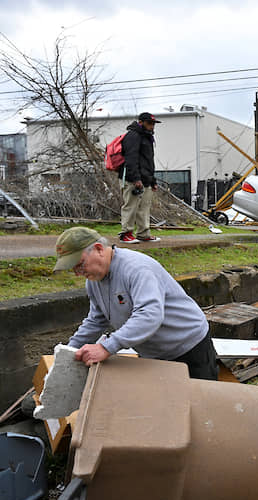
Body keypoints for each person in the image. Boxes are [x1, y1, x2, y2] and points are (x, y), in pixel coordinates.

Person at [53, 226, 218, 380]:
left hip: (188, 346)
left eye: (80, 265)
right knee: (163, 405)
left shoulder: (136, 269)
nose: (78, 273)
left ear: (98, 249)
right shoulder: (94, 281)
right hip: (153, 353)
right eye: (73, 269)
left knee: (198, 404)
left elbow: (150, 315)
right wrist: (69, 352)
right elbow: (96, 320)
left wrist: (106, 347)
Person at [119, 112, 162, 244]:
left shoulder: (147, 137)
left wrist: (153, 181)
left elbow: (148, 161)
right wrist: (136, 179)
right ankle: (126, 233)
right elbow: (130, 159)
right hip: (132, 178)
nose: (152, 126)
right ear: (141, 122)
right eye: (150, 123)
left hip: (146, 178)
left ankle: (143, 234)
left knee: (144, 207)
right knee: (130, 206)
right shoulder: (133, 136)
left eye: (153, 123)